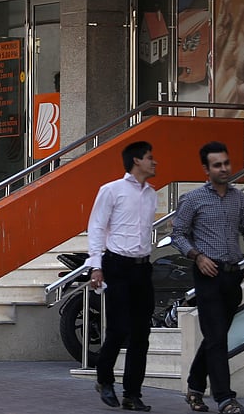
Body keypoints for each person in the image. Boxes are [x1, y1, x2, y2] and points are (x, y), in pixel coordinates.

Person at [171, 142, 244, 414]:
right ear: (206, 170)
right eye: (217, 165)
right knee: (217, 338)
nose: (224, 169)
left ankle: (195, 387)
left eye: (226, 163)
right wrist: (197, 256)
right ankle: (225, 398)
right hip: (207, 276)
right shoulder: (193, 199)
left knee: (215, 336)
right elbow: (177, 234)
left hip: (233, 277)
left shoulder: (239, 199)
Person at [87, 140, 157, 412]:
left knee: (142, 332)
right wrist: (95, 265)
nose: (154, 162)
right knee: (119, 328)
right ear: (137, 161)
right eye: (150, 158)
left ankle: (132, 393)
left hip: (142, 267)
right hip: (116, 265)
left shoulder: (151, 194)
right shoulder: (111, 190)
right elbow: (96, 227)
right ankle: (104, 380)